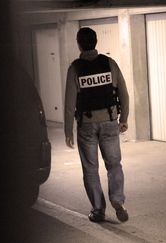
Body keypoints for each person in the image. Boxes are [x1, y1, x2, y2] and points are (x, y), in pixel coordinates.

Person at [64, 27, 129, 223]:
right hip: (110, 121)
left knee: (90, 169)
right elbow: (124, 94)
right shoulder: (109, 63)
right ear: (96, 42)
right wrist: (123, 118)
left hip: (87, 125)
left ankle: (98, 210)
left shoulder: (75, 68)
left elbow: (69, 104)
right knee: (114, 164)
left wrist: (68, 130)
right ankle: (117, 200)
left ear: (79, 44)